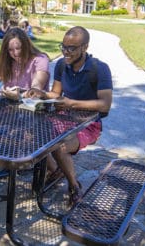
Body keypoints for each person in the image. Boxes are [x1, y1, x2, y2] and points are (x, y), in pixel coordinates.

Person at [27, 26, 113, 205]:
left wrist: (71, 103)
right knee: (31, 131)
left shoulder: (100, 68)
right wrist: (40, 93)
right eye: (63, 47)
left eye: (71, 48)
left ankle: (74, 185)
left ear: (85, 47)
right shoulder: (61, 64)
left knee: (61, 145)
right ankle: (55, 169)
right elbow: (56, 93)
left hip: (88, 124)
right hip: (63, 117)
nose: (66, 52)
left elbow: (105, 104)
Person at [0, 27, 50, 100]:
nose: (15, 53)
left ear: (26, 45)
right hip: (8, 107)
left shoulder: (41, 59)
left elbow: (36, 89)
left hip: (34, 109)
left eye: (18, 48)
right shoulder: (8, 59)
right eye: (10, 50)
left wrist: (20, 95)